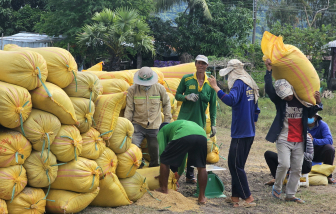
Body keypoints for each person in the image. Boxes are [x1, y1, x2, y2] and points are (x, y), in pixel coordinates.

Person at [264, 59, 322, 204]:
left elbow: (310, 114)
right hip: (284, 138)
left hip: (299, 140)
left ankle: (290, 194)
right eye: (284, 96)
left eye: (288, 94)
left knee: (296, 169)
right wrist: (268, 71)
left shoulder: (302, 99)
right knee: (284, 164)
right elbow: (269, 89)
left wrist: (318, 102)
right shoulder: (280, 102)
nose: (287, 97)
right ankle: (277, 187)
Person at [208, 59, 260, 208]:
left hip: (241, 132)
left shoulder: (238, 82)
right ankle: (235, 198)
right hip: (248, 131)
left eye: (229, 73)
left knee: (234, 165)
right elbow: (257, 109)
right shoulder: (250, 82)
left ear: (232, 72)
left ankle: (248, 198)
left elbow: (231, 100)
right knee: (238, 165)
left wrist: (216, 88)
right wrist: (252, 123)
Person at [175, 54, 217, 184]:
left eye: (203, 63)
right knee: (181, 147)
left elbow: (213, 105)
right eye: (199, 63)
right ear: (195, 64)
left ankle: (190, 175)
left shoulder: (210, 84)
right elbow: (177, 95)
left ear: (207, 66)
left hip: (199, 122)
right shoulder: (187, 79)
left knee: (195, 149)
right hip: (184, 120)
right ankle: (175, 174)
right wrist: (186, 97)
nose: (201, 66)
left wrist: (213, 123)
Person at [124, 67, 172, 167]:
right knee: (132, 145)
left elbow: (167, 104)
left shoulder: (159, 88)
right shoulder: (132, 90)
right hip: (138, 124)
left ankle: (154, 166)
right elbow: (129, 108)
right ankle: (139, 163)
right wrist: (126, 125)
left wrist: (167, 121)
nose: (145, 86)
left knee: (155, 150)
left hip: (154, 125)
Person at [156, 120, 208, 205]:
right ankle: (202, 197)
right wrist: (179, 174)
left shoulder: (162, 130)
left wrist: (161, 173)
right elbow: (184, 155)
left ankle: (163, 189)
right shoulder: (176, 125)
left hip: (184, 133)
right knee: (201, 167)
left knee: (164, 159)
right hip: (202, 134)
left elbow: (162, 154)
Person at [307, 113, 335, 184]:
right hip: (304, 151)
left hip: (317, 152)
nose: (308, 118)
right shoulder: (300, 124)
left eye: (310, 116)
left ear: (316, 117)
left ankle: (329, 176)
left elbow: (329, 140)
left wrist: (313, 140)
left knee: (330, 149)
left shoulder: (322, 125)